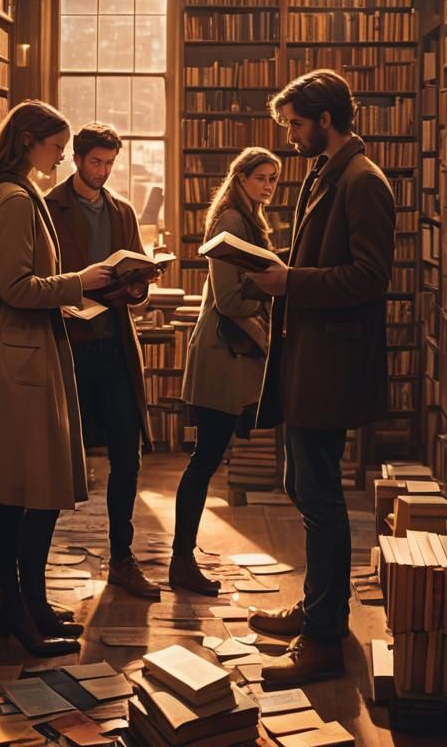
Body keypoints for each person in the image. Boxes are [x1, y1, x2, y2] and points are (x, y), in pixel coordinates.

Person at [247, 70, 396, 685]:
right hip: (309, 356)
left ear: (326, 120)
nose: (289, 137)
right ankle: (318, 608)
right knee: (306, 488)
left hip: (330, 364)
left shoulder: (363, 182)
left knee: (321, 498)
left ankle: (325, 637)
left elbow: (369, 277)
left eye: (296, 125)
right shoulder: (326, 172)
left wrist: (291, 281)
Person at [0, 101, 113, 656]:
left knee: (24, 489)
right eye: (56, 146)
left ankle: (26, 603)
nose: (63, 157)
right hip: (19, 357)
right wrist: (79, 282)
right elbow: (19, 286)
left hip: (24, 349)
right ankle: (17, 607)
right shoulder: (15, 199)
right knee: (28, 489)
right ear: (26, 141)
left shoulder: (13, 192)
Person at [45, 123, 162, 600]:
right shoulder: (50, 208)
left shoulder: (121, 211)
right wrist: (79, 283)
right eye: (96, 162)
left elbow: (135, 281)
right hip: (68, 344)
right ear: (77, 158)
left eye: (110, 163)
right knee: (55, 458)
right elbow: (40, 278)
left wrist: (137, 285)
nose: (103, 171)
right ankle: (37, 566)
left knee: (126, 456)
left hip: (114, 343)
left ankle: (121, 558)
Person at [171, 148, 280, 595]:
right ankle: (181, 559)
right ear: (241, 178)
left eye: (273, 178)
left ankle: (183, 556)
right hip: (222, 355)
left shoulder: (247, 218)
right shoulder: (233, 221)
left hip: (232, 355)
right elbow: (230, 300)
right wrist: (273, 289)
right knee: (205, 460)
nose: (269, 185)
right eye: (261, 177)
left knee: (208, 458)